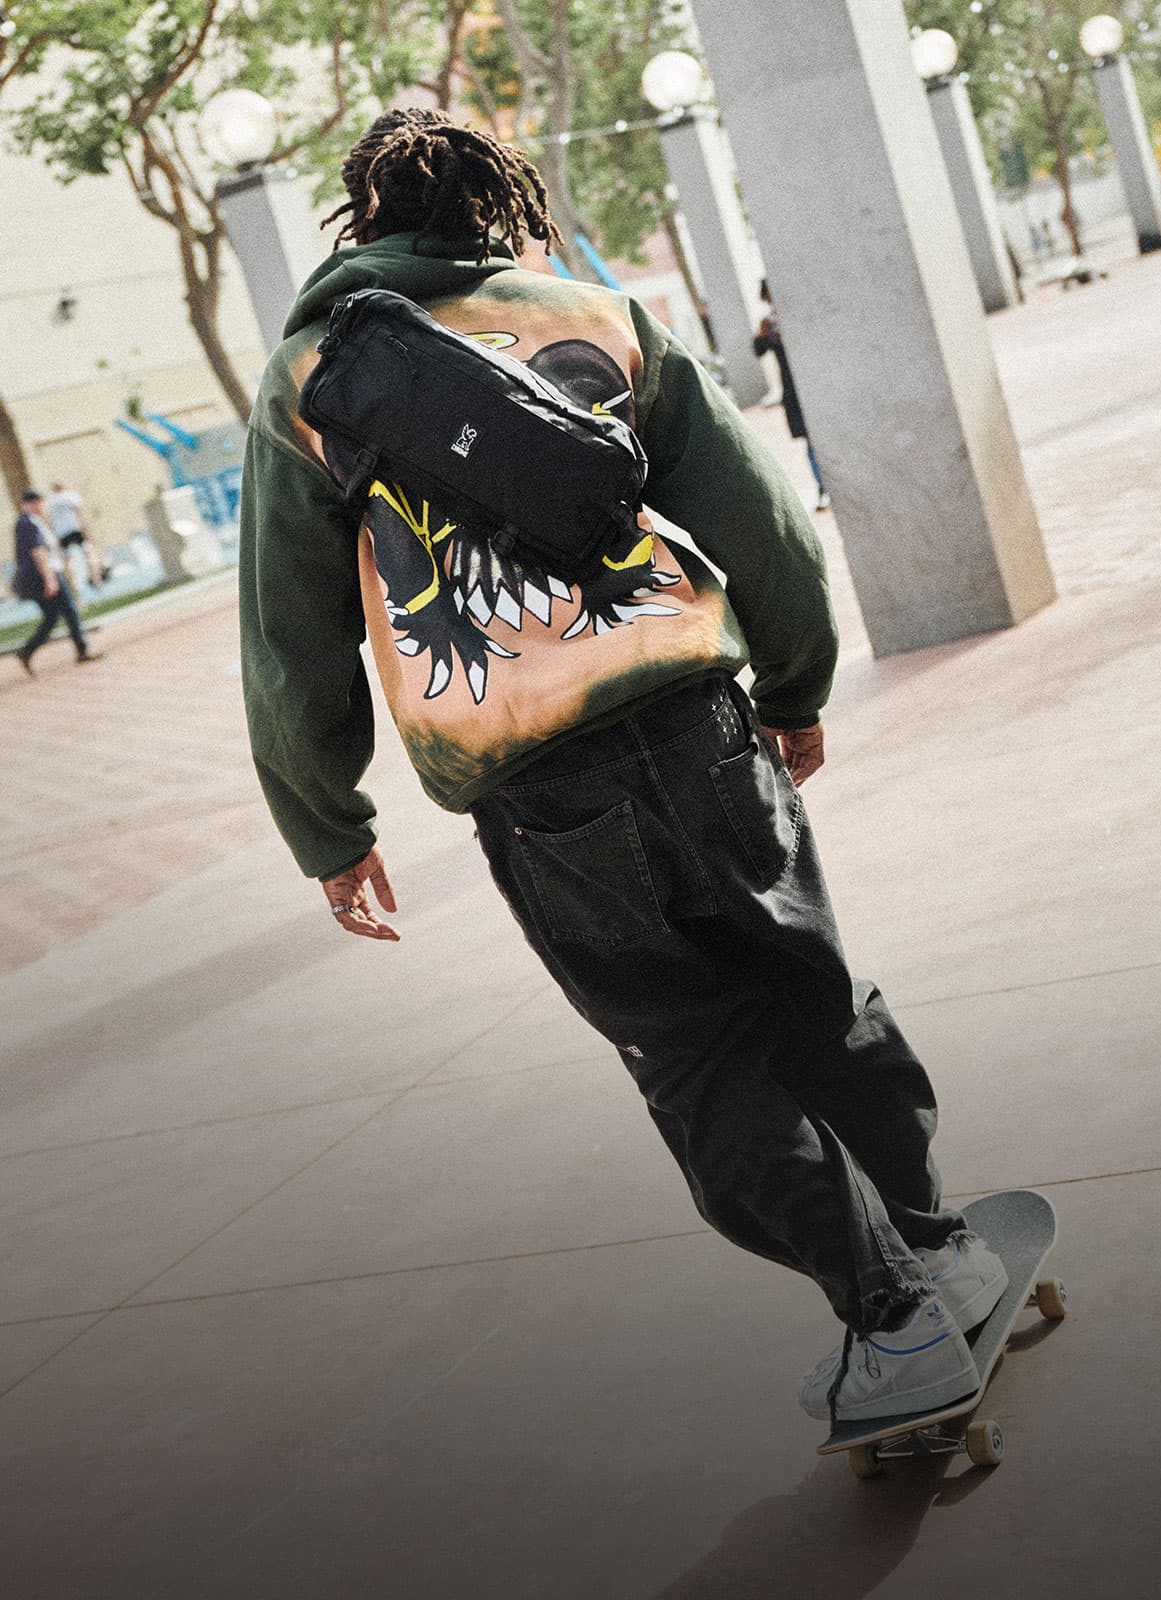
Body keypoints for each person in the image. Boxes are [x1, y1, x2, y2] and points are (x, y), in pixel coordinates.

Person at [240, 109, 1007, 1426]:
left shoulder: (311, 374)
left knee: (693, 1053)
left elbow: (288, 630)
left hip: (541, 789)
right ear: (499, 206)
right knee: (813, 991)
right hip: (701, 722)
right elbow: (762, 520)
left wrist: (329, 822)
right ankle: (938, 1253)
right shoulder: (598, 316)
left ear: (362, 222)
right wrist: (796, 683)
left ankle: (893, 1321)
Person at [753, 281, 829, 511]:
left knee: (822, 437)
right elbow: (759, 350)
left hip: (815, 384)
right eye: (768, 297)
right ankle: (823, 488)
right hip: (792, 389)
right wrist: (763, 333)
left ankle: (829, 486)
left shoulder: (800, 314)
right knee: (810, 441)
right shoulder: (770, 324)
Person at [13, 489, 103, 674]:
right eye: (39, 502)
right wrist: (50, 579)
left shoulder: (26, 522)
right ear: (31, 503)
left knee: (52, 615)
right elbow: (38, 552)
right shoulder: (29, 523)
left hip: (40, 576)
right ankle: (82, 650)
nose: (41, 506)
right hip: (47, 574)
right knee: (70, 609)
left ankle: (27, 651)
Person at [45, 480, 109, 590]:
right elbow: (80, 514)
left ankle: (73, 588)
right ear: (64, 486)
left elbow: (49, 522)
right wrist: (88, 532)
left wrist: (56, 537)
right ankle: (96, 580)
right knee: (89, 553)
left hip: (61, 533)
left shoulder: (50, 503)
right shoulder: (71, 496)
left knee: (67, 560)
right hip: (76, 529)